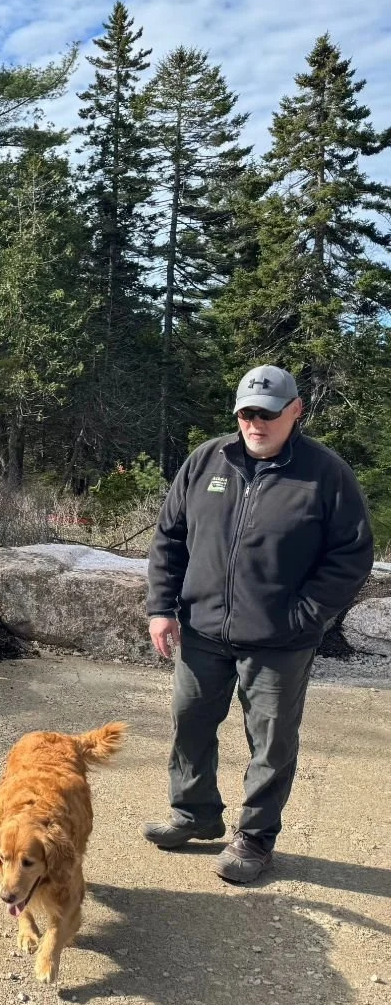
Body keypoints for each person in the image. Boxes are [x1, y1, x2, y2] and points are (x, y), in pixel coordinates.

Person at [142, 364, 373, 883]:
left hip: (280, 642)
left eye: (267, 414)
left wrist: (304, 615)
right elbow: (170, 537)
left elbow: (351, 556)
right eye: (247, 413)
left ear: (296, 412)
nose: (256, 423)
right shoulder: (207, 460)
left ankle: (255, 839)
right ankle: (194, 813)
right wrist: (161, 608)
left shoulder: (325, 474)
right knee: (190, 722)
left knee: (270, 740)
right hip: (202, 630)